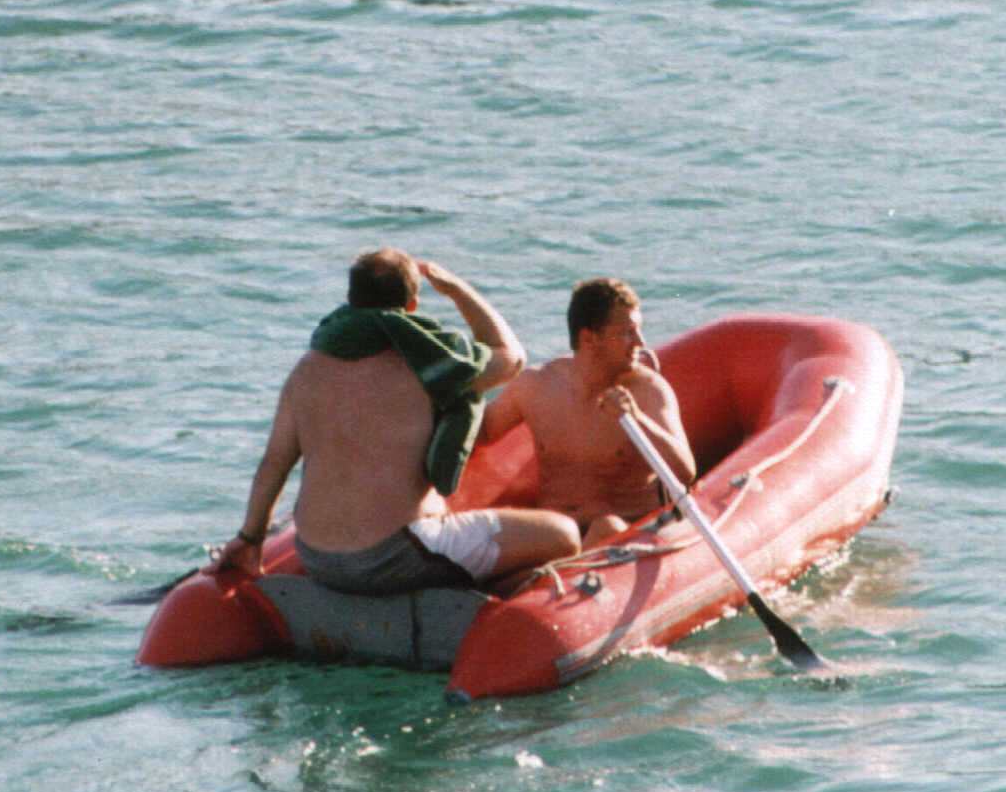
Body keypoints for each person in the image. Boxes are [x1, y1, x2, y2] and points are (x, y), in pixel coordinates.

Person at [213, 250, 580, 595]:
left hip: (316, 557)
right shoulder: (430, 368)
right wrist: (456, 289)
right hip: (398, 557)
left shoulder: (306, 370)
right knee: (563, 534)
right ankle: (491, 604)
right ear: (412, 307)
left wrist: (249, 540)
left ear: (351, 301)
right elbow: (512, 358)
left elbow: (273, 465)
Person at [481, 277, 697, 547]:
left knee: (606, 527)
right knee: (503, 532)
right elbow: (483, 431)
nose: (640, 342)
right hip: (557, 534)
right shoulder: (535, 386)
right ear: (589, 338)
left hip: (626, 534)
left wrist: (636, 419)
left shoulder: (649, 391)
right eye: (627, 332)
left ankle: (561, 566)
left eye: (638, 331)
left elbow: (684, 472)